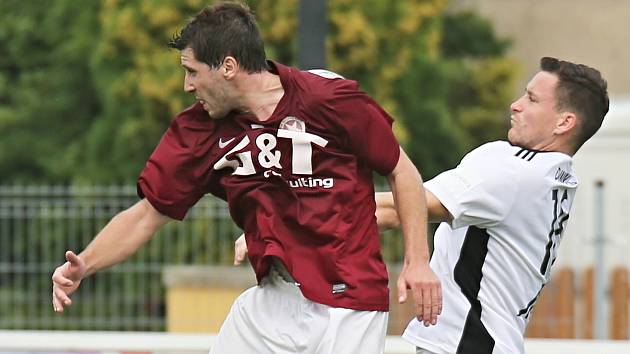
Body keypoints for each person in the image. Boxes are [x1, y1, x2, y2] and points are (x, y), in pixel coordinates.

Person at [51, 2, 441, 353]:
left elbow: (400, 169)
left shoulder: (329, 101)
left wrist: (417, 261)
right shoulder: (199, 131)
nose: (187, 85)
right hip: (273, 302)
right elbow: (145, 216)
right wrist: (85, 263)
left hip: (348, 306)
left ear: (228, 67)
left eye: (192, 71)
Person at [375, 57, 609, 354]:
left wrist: (310, 202)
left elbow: (399, 210)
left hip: (466, 343)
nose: (516, 104)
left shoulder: (515, 169)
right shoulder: (557, 177)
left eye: (532, 99)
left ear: (564, 122)